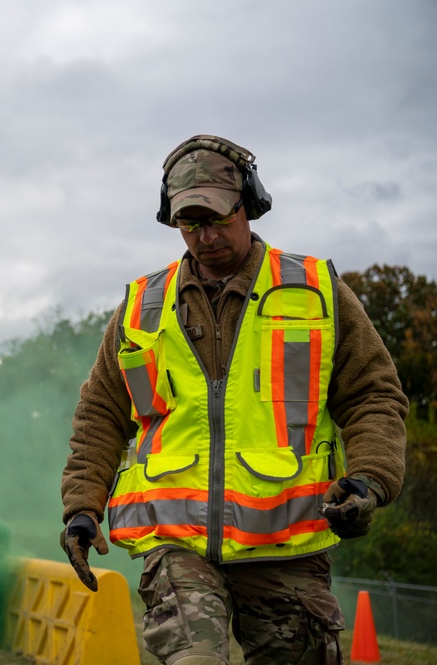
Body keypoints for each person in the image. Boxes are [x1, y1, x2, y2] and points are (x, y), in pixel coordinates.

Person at [59, 135, 408, 665]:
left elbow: (373, 396)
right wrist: (82, 508)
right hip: (177, 544)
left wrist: (371, 479)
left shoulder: (317, 293)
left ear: (250, 203)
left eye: (219, 217)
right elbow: (102, 414)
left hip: (288, 545)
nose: (206, 235)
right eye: (190, 223)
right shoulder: (140, 308)